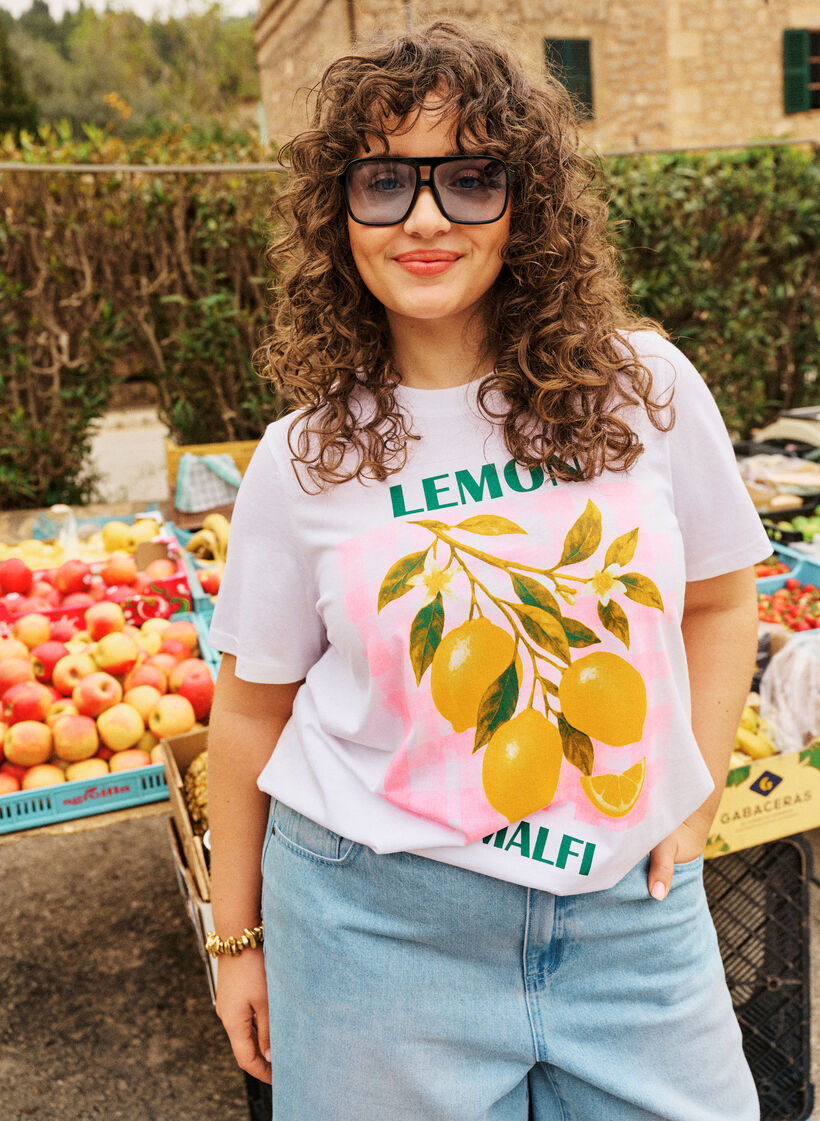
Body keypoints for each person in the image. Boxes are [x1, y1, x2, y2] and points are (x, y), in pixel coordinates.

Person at [205, 21, 769, 1120]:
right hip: (375, 926)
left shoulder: (641, 387)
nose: (424, 217)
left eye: (469, 178)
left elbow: (718, 595)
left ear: (526, 206)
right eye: (385, 183)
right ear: (339, 213)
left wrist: (690, 801)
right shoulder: (303, 456)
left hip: (629, 917)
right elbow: (247, 709)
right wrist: (237, 941)